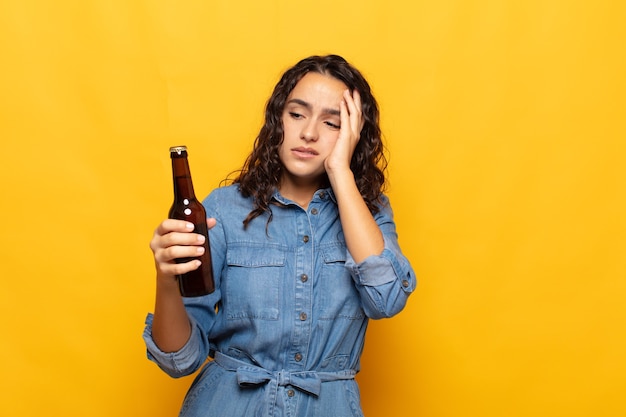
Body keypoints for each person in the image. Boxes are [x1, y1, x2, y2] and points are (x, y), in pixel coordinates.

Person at [143, 54, 416, 417]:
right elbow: (179, 360)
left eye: (332, 122)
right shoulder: (224, 209)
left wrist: (341, 171)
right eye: (297, 114)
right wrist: (165, 279)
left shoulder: (369, 212)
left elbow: (386, 299)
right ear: (278, 120)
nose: (309, 133)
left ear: (353, 134)